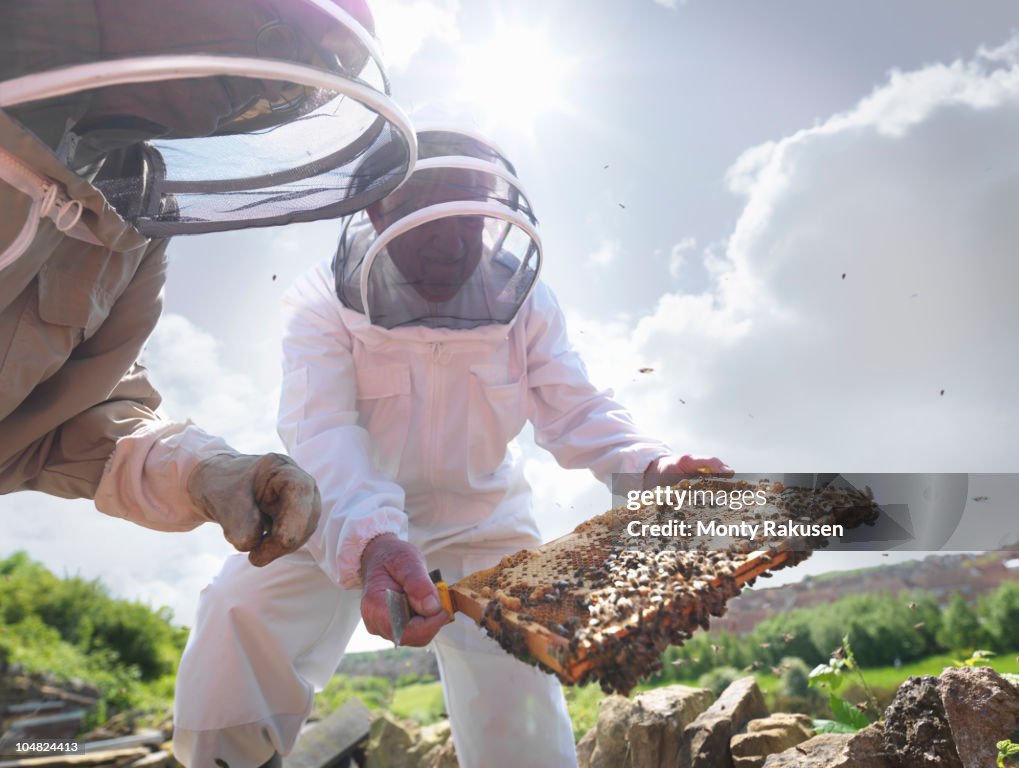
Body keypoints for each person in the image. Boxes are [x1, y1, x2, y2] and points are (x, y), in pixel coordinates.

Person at [173, 125, 732, 767]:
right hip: (337, 515)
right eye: (429, 213)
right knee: (235, 616)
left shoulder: (524, 302)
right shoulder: (322, 306)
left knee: (519, 708)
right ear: (381, 207)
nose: (451, 239)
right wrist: (375, 539)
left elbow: (575, 404)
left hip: (483, 524)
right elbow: (323, 434)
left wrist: (649, 464)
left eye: (467, 214)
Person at [0, 1, 416, 564]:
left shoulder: (131, 212)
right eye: (277, 39)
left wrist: (205, 472)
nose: (264, 90)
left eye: (300, 71)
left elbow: (71, 415)